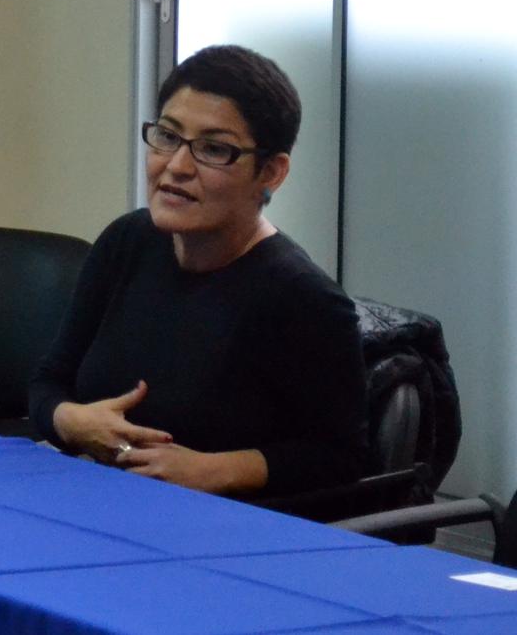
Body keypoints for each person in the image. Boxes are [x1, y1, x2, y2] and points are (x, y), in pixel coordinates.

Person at [29, 45, 368, 499]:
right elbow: (49, 381)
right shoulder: (127, 242)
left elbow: (342, 458)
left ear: (271, 172)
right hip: (95, 497)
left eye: (213, 149)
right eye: (167, 137)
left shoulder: (304, 298)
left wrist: (215, 470)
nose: (176, 167)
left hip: (216, 530)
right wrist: (70, 420)